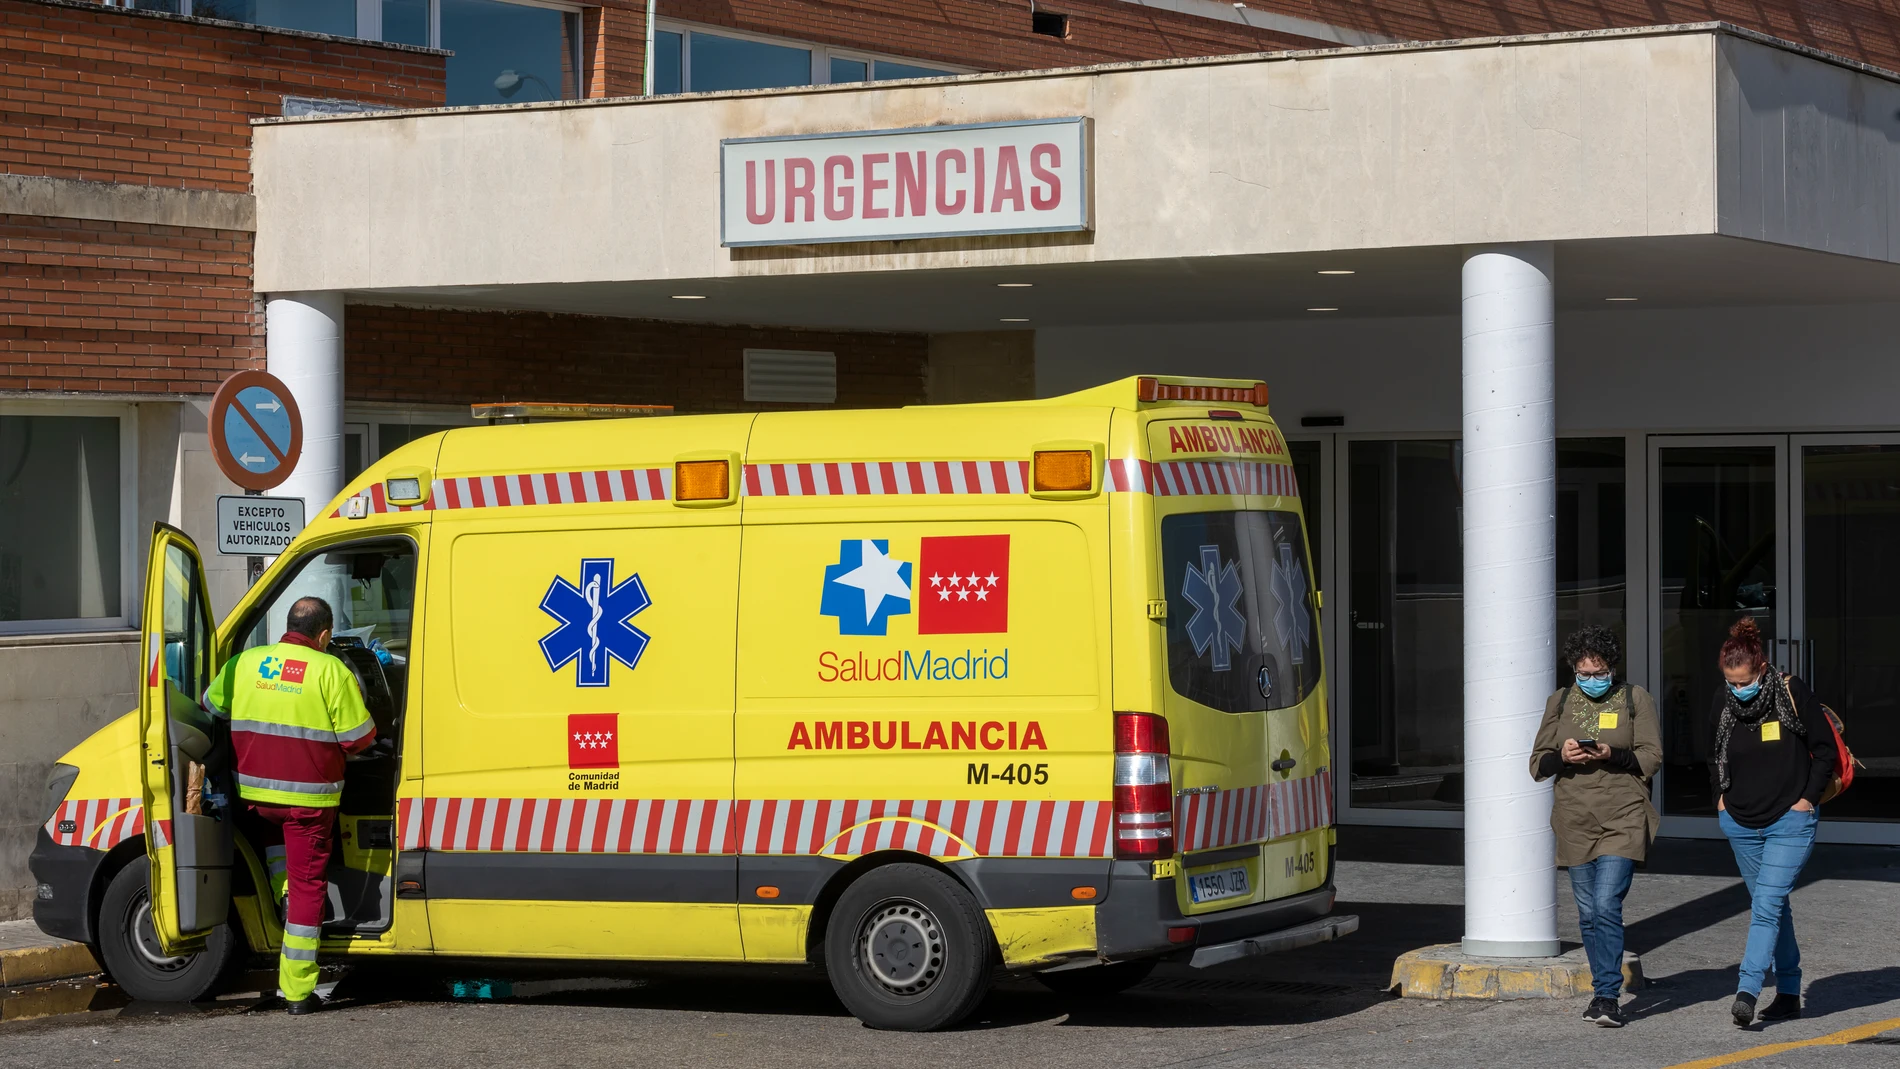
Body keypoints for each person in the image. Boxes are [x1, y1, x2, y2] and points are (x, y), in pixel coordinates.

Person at [206, 596, 376, 1015]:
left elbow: (211, 706)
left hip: (257, 798)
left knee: (278, 851)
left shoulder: (245, 663)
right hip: (307, 805)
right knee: (307, 888)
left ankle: (281, 893)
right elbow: (360, 739)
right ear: (323, 635)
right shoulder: (330, 671)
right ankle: (297, 991)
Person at [1530, 624, 1661, 1028]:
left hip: (1622, 815)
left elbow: (1651, 756)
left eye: (1599, 671)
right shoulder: (1561, 700)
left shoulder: (1634, 698)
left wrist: (1609, 752)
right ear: (1573, 669)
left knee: (1606, 904)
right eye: (1583, 672)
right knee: (1588, 913)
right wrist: (1564, 756)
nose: (1591, 679)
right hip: (1575, 818)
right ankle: (1603, 991)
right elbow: (1537, 765)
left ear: (1612, 667)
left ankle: (1606, 996)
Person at [1711, 617, 1836, 1028]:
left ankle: (1747, 990)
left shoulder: (1790, 691)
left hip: (1789, 821)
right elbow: (1713, 753)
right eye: (1730, 682)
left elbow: (1824, 749)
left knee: (1764, 906)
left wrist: (1806, 800)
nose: (1736, 689)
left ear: (1761, 669)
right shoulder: (1724, 700)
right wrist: (1721, 801)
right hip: (1742, 823)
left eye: (1743, 681)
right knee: (1774, 904)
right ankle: (1788, 993)